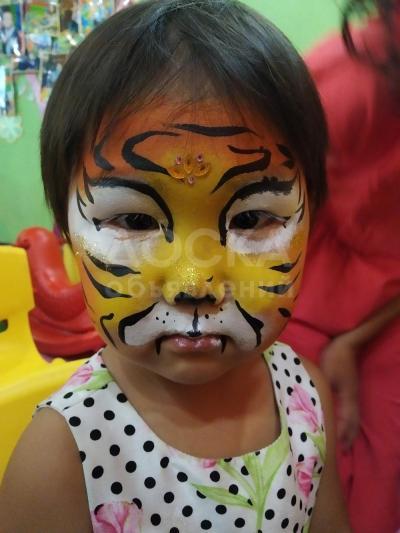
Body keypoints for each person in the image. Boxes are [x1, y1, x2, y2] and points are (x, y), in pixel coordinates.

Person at [0, 1, 350, 531]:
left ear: (310, 222)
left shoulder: (305, 394)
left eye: (251, 218)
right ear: (67, 235)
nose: (194, 284)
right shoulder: (58, 458)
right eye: (135, 222)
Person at [280, 1, 400, 531]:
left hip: (382, 312)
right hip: (296, 293)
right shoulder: (347, 82)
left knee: (377, 484)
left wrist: (353, 342)